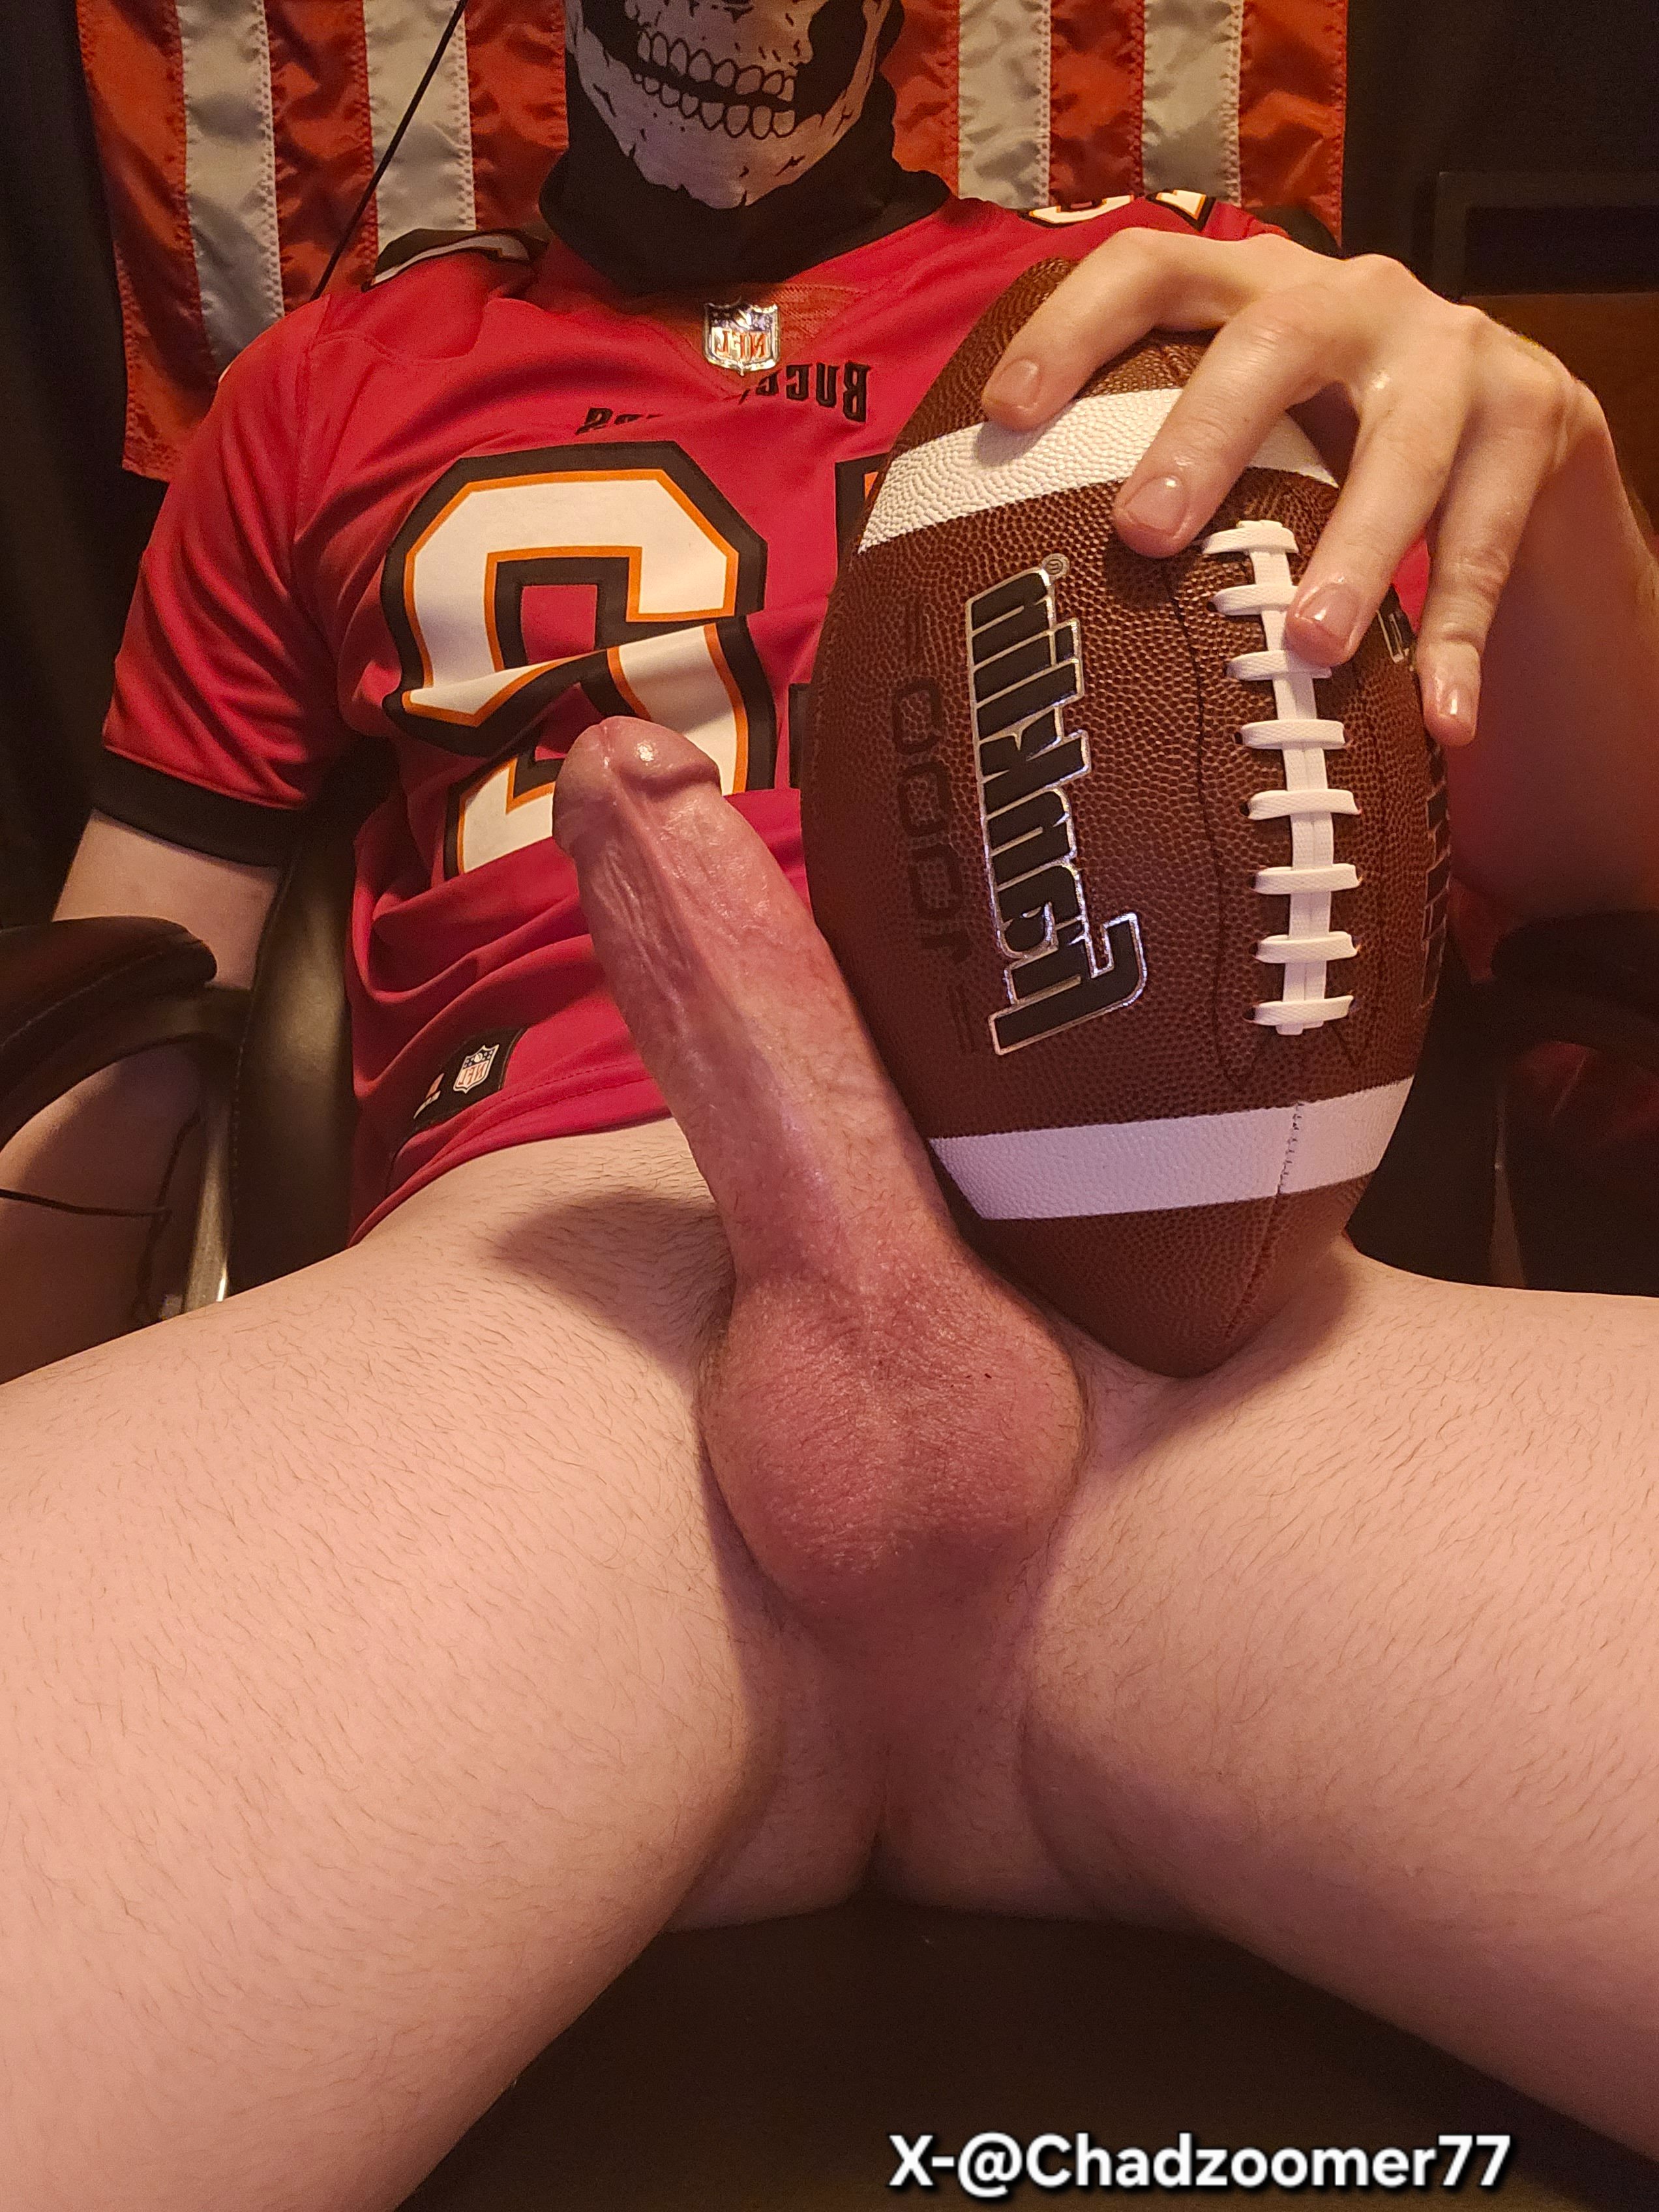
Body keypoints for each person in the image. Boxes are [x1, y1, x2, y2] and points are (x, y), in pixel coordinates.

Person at [3, 2, 1658, 2204]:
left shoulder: (1197, 303)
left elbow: (1604, 891)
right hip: (561, 1322)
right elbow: (126, 1000)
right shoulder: (326, 383)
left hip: (1207, 1322)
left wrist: (1553, 476)